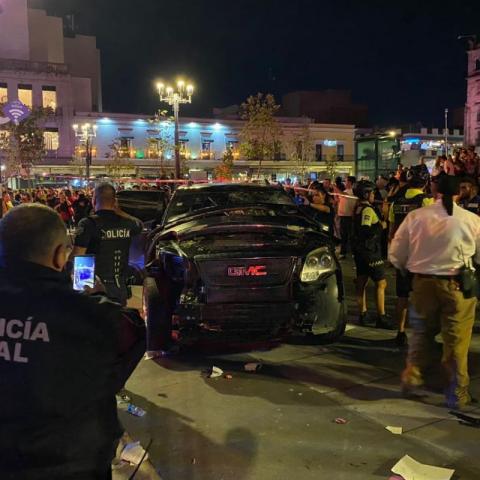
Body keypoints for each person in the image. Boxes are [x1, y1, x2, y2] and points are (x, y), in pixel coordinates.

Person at [0, 204, 145, 479]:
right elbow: (129, 343)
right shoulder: (91, 316)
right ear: (58, 255)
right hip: (69, 464)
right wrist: (99, 299)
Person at [389, 175, 480, 410]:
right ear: (459, 192)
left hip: (423, 284)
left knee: (421, 332)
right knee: (457, 341)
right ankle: (457, 393)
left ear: (434, 190)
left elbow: (396, 254)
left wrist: (407, 270)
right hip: (456, 285)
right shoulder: (471, 220)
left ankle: (412, 375)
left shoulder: (416, 217)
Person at [72, 183, 143, 306]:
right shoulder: (127, 223)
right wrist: (121, 212)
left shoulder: (88, 224)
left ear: (94, 200)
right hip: (119, 286)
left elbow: (78, 256)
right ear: (114, 201)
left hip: (95, 288)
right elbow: (140, 225)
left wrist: (80, 288)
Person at [388, 166, 434, 346]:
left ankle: (400, 332)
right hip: (420, 256)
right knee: (422, 295)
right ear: (425, 183)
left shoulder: (395, 202)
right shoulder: (425, 201)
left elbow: (391, 233)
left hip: (403, 255)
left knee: (402, 295)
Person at [351, 180, 390, 329]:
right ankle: (382, 316)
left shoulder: (358, 208)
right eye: (372, 192)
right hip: (370, 252)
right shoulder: (367, 210)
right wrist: (381, 225)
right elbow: (365, 231)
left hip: (360, 252)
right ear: (365, 194)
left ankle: (363, 314)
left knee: (361, 282)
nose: (374, 195)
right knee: (381, 283)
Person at [336, 176, 356, 259]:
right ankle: (343, 252)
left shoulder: (352, 192)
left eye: (346, 181)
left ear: (350, 183)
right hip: (342, 216)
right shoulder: (344, 191)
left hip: (349, 217)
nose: (345, 183)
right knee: (343, 235)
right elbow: (339, 200)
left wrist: (334, 187)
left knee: (350, 235)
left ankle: (353, 252)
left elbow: (343, 195)